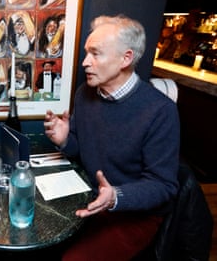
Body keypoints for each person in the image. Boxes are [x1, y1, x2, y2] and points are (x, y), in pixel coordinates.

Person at [43, 15, 180, 260]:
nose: (85, 62)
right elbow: (79, 148)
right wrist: (65, 139)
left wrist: (116, 196)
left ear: (125, 59)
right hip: (91, 197)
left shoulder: (160, 111)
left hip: (133, 214)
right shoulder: (85, 94)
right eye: (87, 53)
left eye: (96, 54)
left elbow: (164, 185)